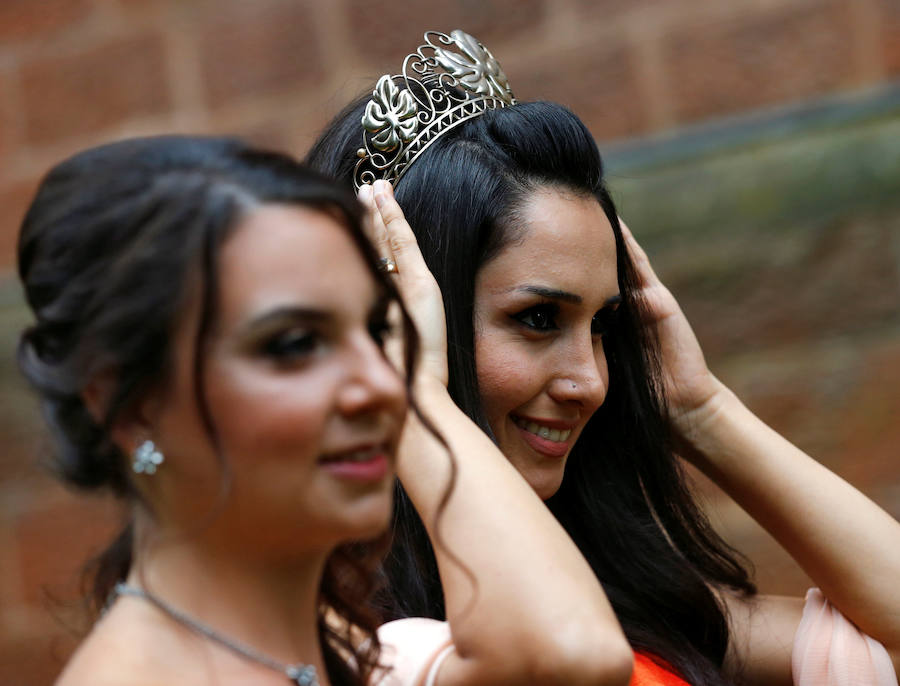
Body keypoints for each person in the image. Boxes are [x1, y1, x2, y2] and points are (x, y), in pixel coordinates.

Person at [306, 29, 900, 686]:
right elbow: (562, 653)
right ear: (402, 321)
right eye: (538, 319)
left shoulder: (636, 616)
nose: (590, 381)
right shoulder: (333, 648)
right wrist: (416, 398)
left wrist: (702, 411)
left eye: (603, 326)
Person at [16, 135, 634, 686]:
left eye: (378, 330)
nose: (379, 385)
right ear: (132, 406)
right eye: (293, 344)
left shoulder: (368, 655)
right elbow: (570, 653)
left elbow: (571, 650)